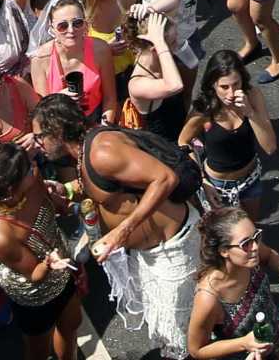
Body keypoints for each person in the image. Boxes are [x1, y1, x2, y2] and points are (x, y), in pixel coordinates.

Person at [35, 92, 198, 358]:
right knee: (180, 324)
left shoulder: (102, 151)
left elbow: (164, 179)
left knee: (177, 333)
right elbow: (104, 187)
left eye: (40, 136)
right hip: (152, 253)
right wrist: (67, 190)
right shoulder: (84, 154)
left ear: (57, 131)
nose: (38, 144)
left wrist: (122, 232)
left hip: (173, 249)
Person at [0, 144, 89, 360]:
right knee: (38, 351)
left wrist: (65, 204)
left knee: (72, 324)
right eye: (28, 168)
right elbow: (34, 273)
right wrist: (48, 264)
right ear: (10, 189)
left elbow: (53, 203)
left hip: (61, 266)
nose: (34, 167)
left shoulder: (33, 180)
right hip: (34, 293)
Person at [177, 51, 277, 219]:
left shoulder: (252, 96)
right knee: (226, 236)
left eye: (236, 84)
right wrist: (202, 180)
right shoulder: (204, 111)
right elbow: (183, 141)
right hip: (218, 186)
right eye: (224, 87)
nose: (231, 93)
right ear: (213, 86)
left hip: (250, 178)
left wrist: (250, 113)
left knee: (252, 225)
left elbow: (270, 147)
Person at [185, 206, 279, 360]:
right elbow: (197, 349)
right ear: (224, 251)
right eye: (246, 243)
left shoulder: (250, 256)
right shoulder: (208, 298)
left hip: (275, 334)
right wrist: (243, 343)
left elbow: (269, 255)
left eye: (256, 236)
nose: (255, 247)